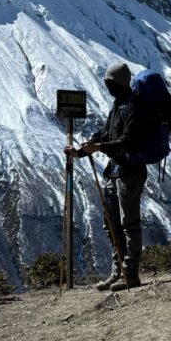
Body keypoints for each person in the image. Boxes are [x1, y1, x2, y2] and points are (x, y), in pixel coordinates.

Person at [64, 62, 146, 291]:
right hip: (115, 171)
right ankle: (118, 271)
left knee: (129, 223)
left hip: (130, 172)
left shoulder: (133, 107)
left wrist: (98, 147)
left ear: (117, 83)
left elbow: (128, 141)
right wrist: (81, 151)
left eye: (109, 83)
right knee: (111, 223)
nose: (107, 86)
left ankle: (130, 274)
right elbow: (105, 134)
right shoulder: (118, 105)